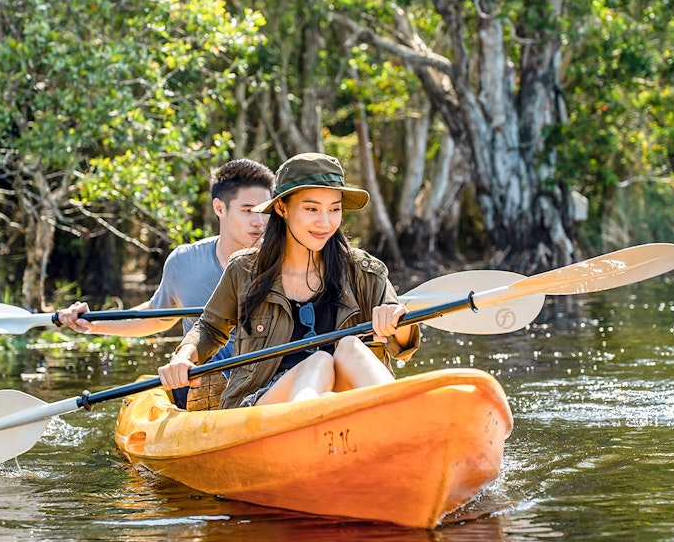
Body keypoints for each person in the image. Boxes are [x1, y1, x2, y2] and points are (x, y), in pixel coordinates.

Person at [157, 152, 420, 410]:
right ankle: (309, 420)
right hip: (263, 401)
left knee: (350, 346)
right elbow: (210, 329)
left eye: (334, 209)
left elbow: (402, 347)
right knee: (318, 361)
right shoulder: (245, 269)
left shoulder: (364, 271)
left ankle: (398, 413)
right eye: (311, 208)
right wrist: (183, 357)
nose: (325, 222)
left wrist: (398, 322)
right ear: (282, 208)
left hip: (344, 401)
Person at [55, 158, 274, 408]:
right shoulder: (184, 262)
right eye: (248, 210)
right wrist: (92, 322)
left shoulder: (287, 261)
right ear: (219, 208)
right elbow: (157, 316)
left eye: (265, 211)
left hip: (265, 373)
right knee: (207, 359)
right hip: (204, 377)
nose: (259, 221)